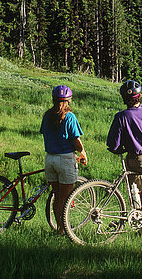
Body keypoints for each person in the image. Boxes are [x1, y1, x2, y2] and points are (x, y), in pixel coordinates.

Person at [106, 80, 142, 235]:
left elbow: (113, 144)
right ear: (140, 96)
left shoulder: (121, 117)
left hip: (140, 161)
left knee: (135, 190)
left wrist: (119, 148)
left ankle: (140, 225)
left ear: (124, 98)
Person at [41, 85, 87, 233]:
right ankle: (62, 230)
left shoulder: (47, 115)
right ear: (69, 101)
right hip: (65, 159)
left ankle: (59, 228)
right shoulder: (69, 117)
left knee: (57, 195)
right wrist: (82, 152)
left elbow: (45, 135)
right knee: (65, 198)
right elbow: (76, 140)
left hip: (50, 160)